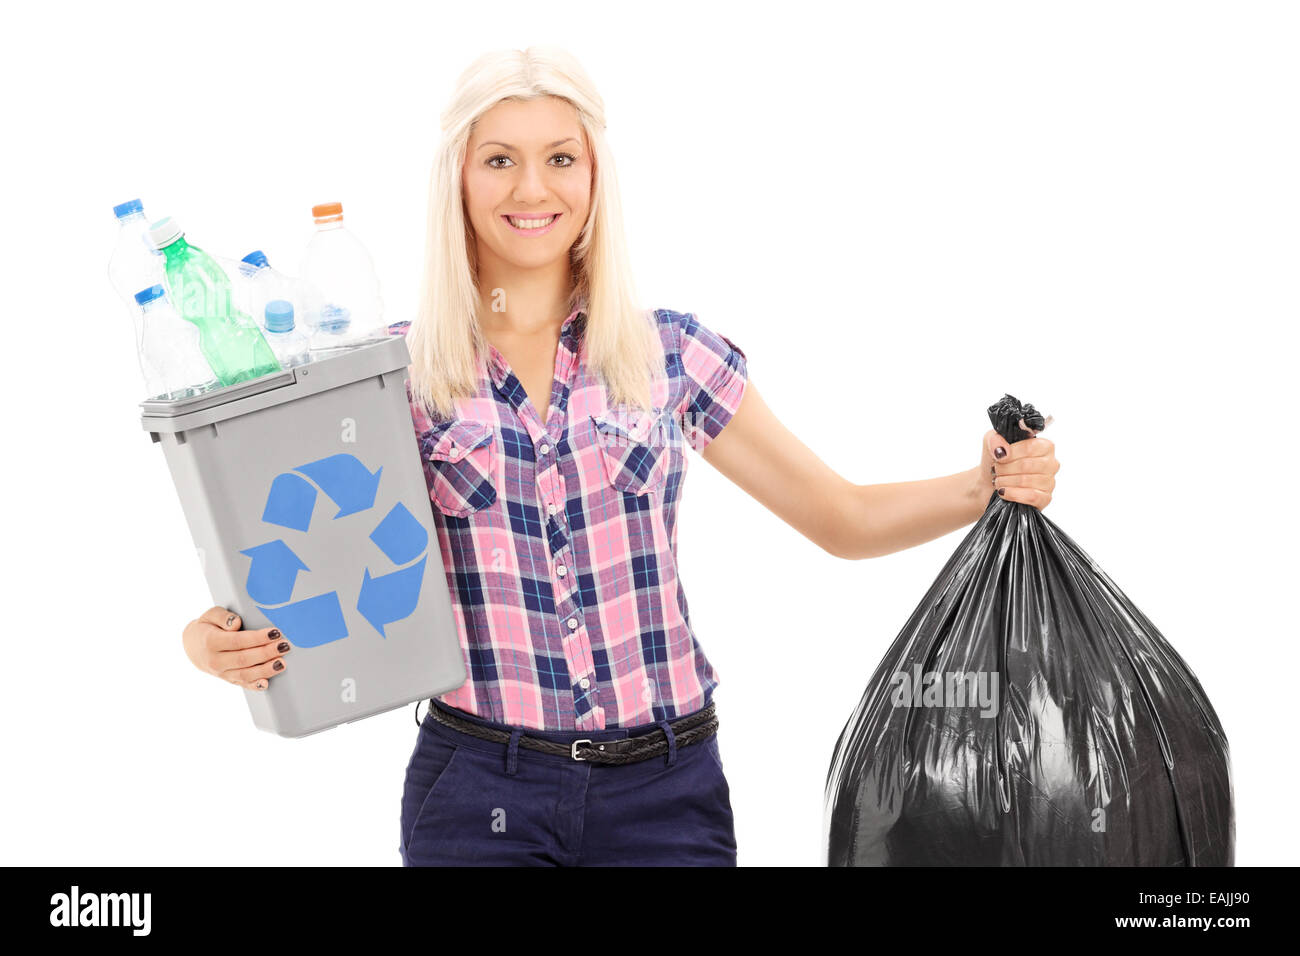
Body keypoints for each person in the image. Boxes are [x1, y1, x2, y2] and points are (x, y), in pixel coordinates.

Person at [181, 46, 1060, 867]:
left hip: (665, 794)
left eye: (561, 157)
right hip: (479, 790)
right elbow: (301, 561)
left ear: (595, 175)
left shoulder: (670, 357)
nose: (533, 186)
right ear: (458, 177)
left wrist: (983, 484)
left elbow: (843, 519)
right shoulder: (398, 379)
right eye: (499, 159)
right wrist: (208, 640)